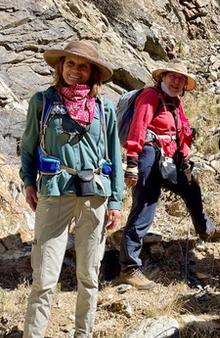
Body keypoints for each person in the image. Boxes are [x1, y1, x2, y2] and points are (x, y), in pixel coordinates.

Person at [20, 40, 124, 337]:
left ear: (92, 73)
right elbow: (28, 147)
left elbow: (115, 157)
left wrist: (116, 201)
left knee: (89, 275)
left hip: (95, 195)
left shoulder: (105, 108)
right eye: (70, 64)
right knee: (44, 276)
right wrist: (29, 181)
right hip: (54, 192)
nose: (75, 71)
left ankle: (83, 333)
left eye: (83, 66)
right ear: (60, 67)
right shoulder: (42, 102)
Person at [120, 61, 219, 290]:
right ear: (162, 77)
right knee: (145, 206)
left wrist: (184, 157)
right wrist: (132, 162)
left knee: (192, 188)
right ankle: (129, 267)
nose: (176, 82)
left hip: (169, 160)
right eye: (172, 77)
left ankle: (205, 228)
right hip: (148, 157)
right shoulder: (150, 96)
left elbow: (182, 130)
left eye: (181, 79)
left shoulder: (175, 102)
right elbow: (138, 126)